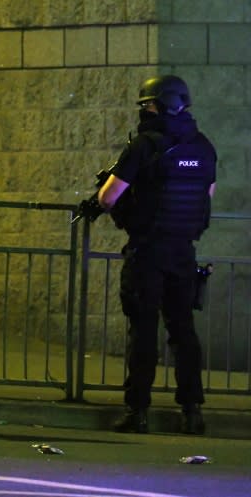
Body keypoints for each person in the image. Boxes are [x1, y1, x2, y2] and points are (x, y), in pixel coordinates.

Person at [98, 75, 217, 435]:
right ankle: (192, 411)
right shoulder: (203, 147)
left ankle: (138, 412)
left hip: (147, 251)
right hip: (183, 252)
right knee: (183, 332)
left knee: (144, 332)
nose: (144, 110)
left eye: (147, 104)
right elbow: (206, 197)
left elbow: (108, 197)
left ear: (158, 105)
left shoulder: (144, 146)